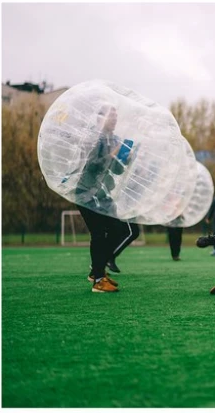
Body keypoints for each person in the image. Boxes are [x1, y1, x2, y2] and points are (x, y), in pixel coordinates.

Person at [73, 104, 135, 292]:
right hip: (86, 192)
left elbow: (115, 169)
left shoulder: (114, 139)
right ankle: (98, 279)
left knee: (121, 229)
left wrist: (126, 159)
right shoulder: (96, 139)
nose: (115, 119)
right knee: (99, 234)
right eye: (111, 116)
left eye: (116, 116)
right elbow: (91, 165)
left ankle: (97, 271)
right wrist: (112, 154)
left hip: (101, 194)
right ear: (101, 118)